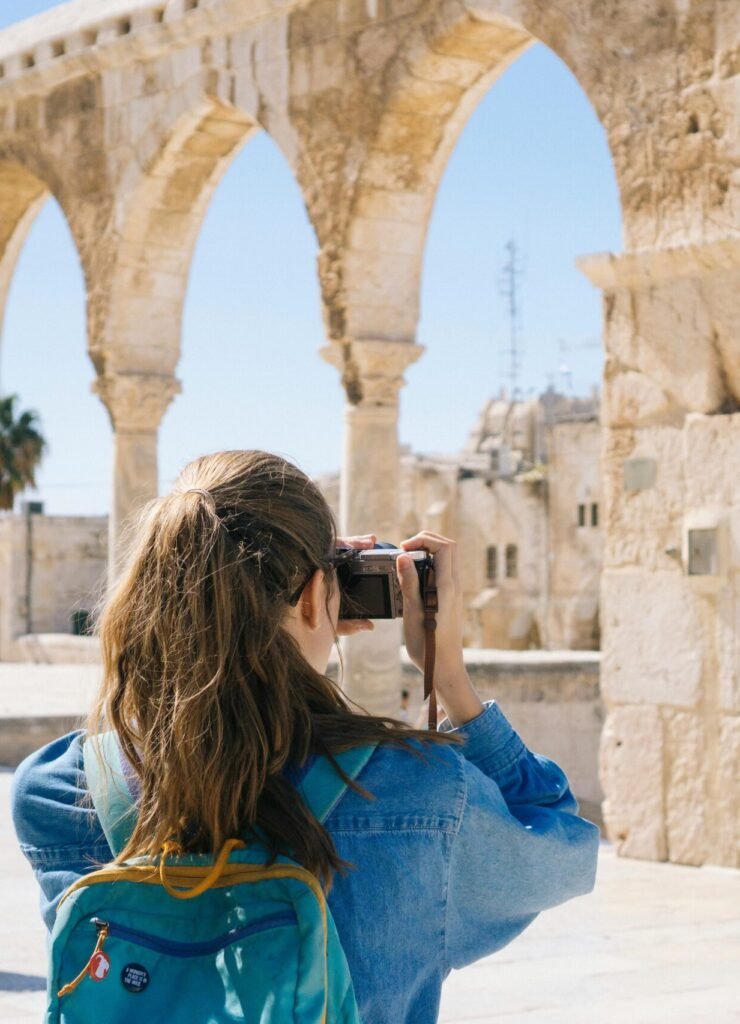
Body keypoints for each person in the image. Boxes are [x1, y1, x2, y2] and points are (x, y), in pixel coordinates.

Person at [12, 450, 599, 1023]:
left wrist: (307, 600)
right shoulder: (419, 794)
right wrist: (450, 681)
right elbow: (563, 849)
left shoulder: (55, 792)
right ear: (320, 593)